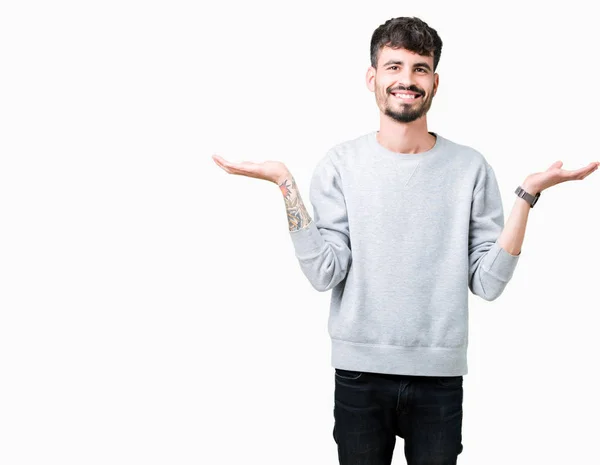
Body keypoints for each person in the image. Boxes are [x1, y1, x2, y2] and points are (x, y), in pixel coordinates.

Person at [212, 16, 599, 465]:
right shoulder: (340, 164)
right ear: (372, 77)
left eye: (419, 68)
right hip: (359, 374)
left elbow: (488, 283)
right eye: (394, 67)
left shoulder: (470, 167)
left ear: (434, 82)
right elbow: (324, 273)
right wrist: (285, 184)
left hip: (439, 378)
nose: (407, 80)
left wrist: (528, 194)